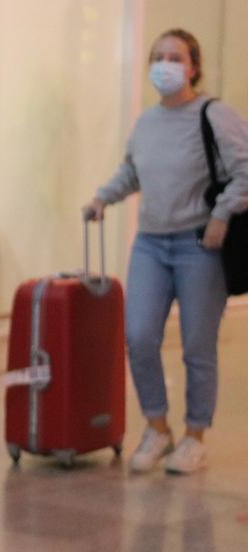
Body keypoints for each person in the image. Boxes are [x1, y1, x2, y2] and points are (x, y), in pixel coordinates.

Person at [83, 28, 248, 475]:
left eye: (175, 57)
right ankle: (157, 428)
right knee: (138, 336)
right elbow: (132, 172)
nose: (166, 64)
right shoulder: (146, 123)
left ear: (193, 66)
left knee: (197, 344)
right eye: (158, 56)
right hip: (151, 244)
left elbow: (244, 170)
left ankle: (195, 436)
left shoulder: (215, 116)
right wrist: (102, 198)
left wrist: (221, 216)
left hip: (200, 246)